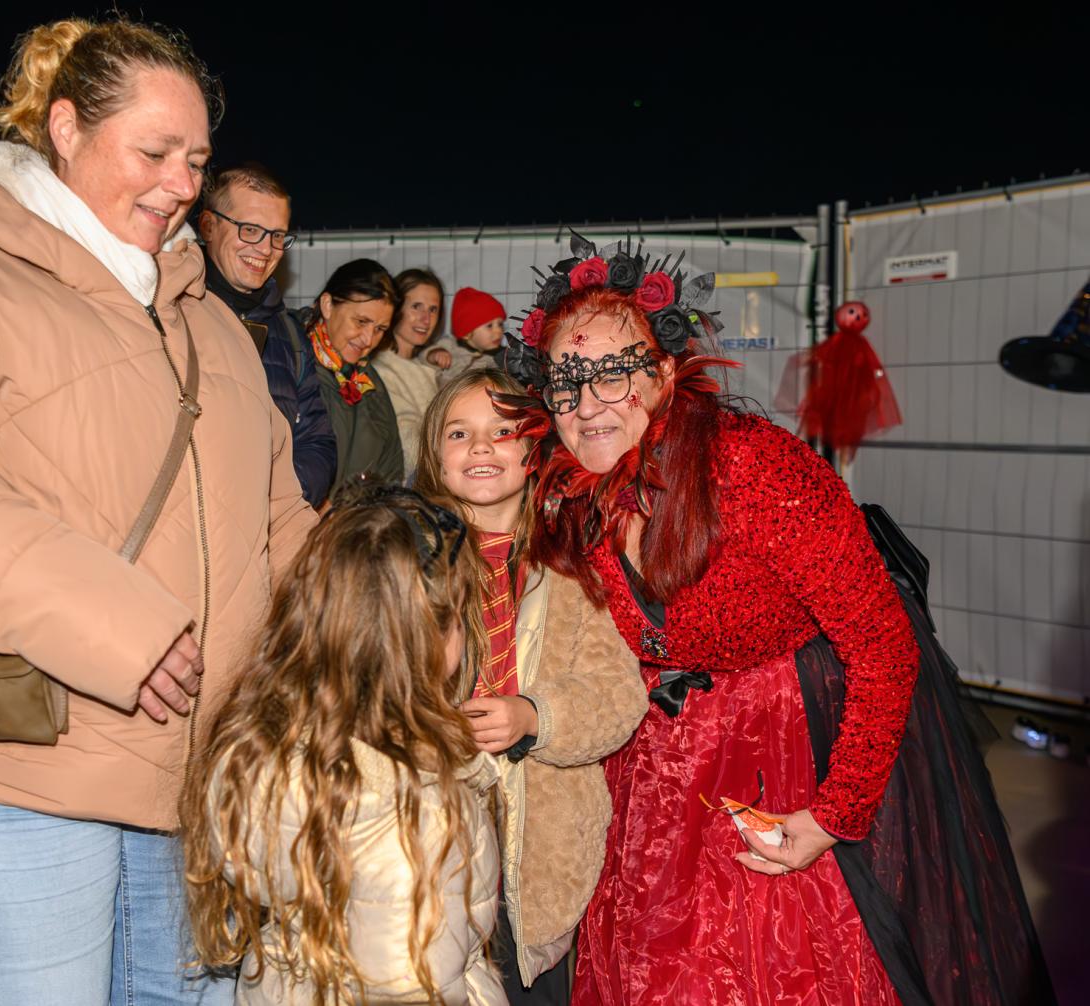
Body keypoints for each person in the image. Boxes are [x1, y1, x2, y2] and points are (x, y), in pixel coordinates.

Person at [0, 18, 316, 1005]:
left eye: (196, 161)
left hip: (194, 774)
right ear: (68, 127)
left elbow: (278, 518)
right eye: (154, 152)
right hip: (7, 769)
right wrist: (120, 626)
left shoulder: (213, 328)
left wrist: (378, 619)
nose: (180, 184)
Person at [495, 238, 1053, 1005]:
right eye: (566, 384)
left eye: (614, 375)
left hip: (779, 749)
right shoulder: (574, 494)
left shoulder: (753, 467)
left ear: (665, 374)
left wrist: (833, 815)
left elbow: (883, 647)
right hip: (648, 764)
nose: (588, 405)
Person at [181, 487, 506, 1004]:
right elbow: (409, 988)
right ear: (427, 639)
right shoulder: (416, 812)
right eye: (459, 617)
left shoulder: (265, 753)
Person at [414, 369, 644, 1003]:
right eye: (459, 433)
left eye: (502, 431)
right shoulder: (404, 561)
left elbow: (616, 692)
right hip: (430, 834)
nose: (480, 447)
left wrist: (534, 715)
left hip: (539, 850)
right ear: (434, 453)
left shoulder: (575, 562)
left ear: (535, 448)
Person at [198, 163, 337, 505]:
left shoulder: (290, 333)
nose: (265, 249)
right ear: (209, 226)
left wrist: (273, 499)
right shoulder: (171, 311)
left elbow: (317, 442)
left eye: (277, 235)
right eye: (250, 230)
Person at [300, 258, 405, 489]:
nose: (368, 339)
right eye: (361, 321)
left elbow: (392, 468)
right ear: (328, 305)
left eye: (380, 329)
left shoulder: (368, 381)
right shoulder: (291, 363)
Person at [371, 268, 444, 477]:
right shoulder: (381, 371)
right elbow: (409, 450)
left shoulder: (426, 365)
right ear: (395, 308)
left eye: (433, 309)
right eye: (416, 307)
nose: (426, 319)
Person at [431, 286, 508, 384]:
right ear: (467, 334)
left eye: (500, 324)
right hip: (450, 391)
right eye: (489, 326)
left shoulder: (504, 357)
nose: (498, 331)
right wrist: (435, 354)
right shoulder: (450, 347)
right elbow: (423, 355)